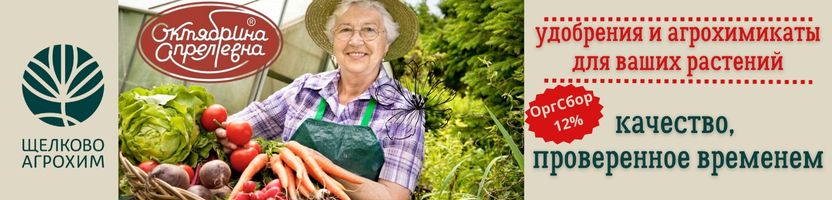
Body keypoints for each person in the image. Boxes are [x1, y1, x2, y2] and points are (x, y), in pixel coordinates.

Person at [215, 0, 422, 199]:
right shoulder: (305, 89)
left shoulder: (404, 111)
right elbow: (245, 123)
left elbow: (392, 196)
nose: (355, 40)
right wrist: (226, 132)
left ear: (386, 44)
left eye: (369, 30)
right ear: (333, 42)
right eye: (345, 30)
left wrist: (318, 166)